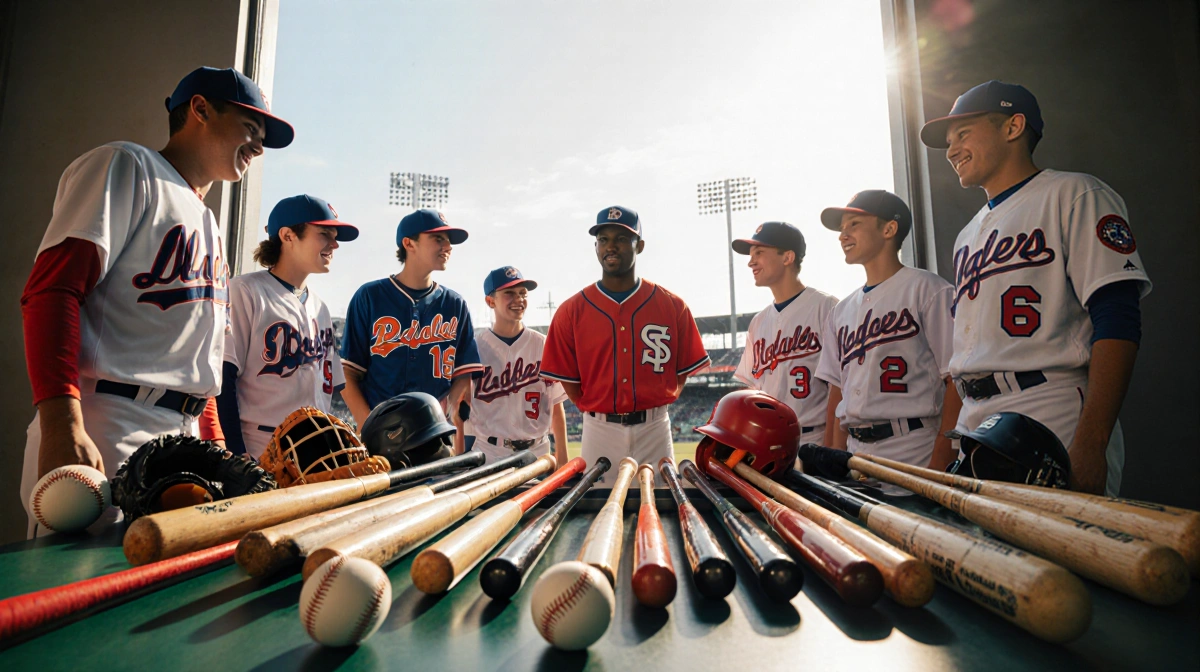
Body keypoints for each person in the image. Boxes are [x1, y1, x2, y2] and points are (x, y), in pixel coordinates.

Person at [18, 66, 292, 535]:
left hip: (182, 438)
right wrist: (63, 422)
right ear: (201, 109)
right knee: (84, 596)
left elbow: (198, 365)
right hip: (107, 423)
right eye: (250, 128)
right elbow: (52, 291)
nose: (259, 146)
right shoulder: (125, 165)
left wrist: (219, 450)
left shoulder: (209, 224)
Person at [920, 80, 1151, 495]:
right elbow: (961, 355)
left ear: (1013, 127)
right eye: (949, 141)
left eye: (963, 134)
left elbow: (1118, 316)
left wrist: (1093, 441)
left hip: (1050, 404)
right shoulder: (967, 235)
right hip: (975, 417)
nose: (951, 150)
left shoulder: (1075, 193)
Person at [541, 206, 709, 481]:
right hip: (599, 430)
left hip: (655, 428)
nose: (611, 246)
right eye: (603, 239)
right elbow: (569, 381)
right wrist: (591, 405)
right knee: (595, 515)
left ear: (639, 246)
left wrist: (665, 397)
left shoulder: (672, 306)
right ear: (595, 247)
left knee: (660, 512)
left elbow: (683, 371)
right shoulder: (571, 310)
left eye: (621, 238)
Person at [814, 190, 961, 472]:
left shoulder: (928, 289)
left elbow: (955, 379)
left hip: (914, 448)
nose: (842, 235)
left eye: (853, 224)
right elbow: (837, 392)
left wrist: (943, 457)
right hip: (856, 455)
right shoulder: (841, 310)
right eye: (842, 228)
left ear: (889, 229)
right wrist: (833, 459)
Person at [217, 195, 358, 459]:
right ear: (288, 235)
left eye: (335, 235)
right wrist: (237, 453)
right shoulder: (245, 291)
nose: (335, 244)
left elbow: (332, 386)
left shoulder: (321, 308)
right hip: (261, 445)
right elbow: (224, 377)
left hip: (317, 449)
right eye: (325, 233)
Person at [339, 208, 482, 454]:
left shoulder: (454, 304)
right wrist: (369, 428)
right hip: (380, 440)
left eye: (449, 241)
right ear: (409, 243)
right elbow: (348, 374)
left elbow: (462, 374)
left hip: (435, 438)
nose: (447, 246)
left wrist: (450, 414)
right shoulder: (370, 297)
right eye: (438, 239)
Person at [732, 221, 838, 450]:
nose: (751, 262)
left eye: (759, 253)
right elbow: (753, 390)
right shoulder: (758, 322)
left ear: (788, 257)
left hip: (814, 440)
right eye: (750, 255)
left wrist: (831, 449)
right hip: (770, 443)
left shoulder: (826, 307)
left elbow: (839, 388)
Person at [462, 266, 568, 467]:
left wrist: (562, 459)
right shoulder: (475, 349)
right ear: (490, 301)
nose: (519, 299)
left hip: (537, 452)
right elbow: (464, 412)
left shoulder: (544, 345)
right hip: (489, 453)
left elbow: (556, 404)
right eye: (509, 293)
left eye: (522, 293)